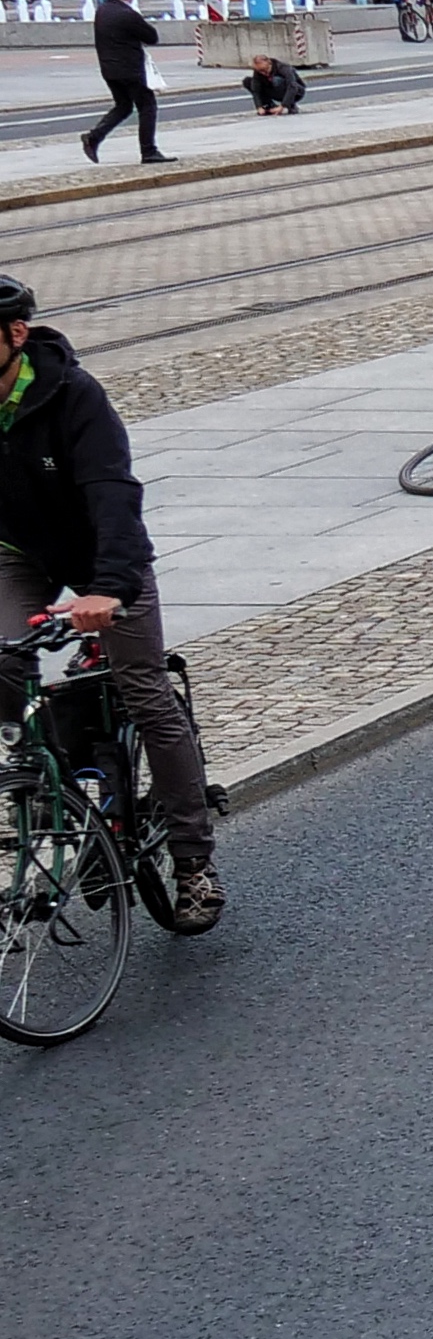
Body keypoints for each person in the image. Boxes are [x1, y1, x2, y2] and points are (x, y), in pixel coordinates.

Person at [0, 270, 217, 919]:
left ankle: (193, 860)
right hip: (19, 553)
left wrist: (111, 588)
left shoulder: (73, 395)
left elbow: (115, 496)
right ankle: (48, 781)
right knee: (6, 663)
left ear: (15, 334)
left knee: (146, 692)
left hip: (102, 552)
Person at [78, 0, 164, 167]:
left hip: (109, 69)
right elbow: (152, 37)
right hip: (130, 70)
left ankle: (94, 137)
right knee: (147, 106)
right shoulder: (128, 14)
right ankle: (149, 150)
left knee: (124, 106)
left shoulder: (102, 11)